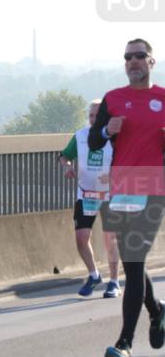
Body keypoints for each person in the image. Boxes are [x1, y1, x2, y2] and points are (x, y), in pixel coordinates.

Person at [88, 39, 165, 357]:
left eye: (139, 56)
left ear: (151, 61)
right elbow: (93, 141)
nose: (132, 61)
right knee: (134, 265)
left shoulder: (163, 98)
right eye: (127, 57)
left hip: (152, 188)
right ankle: (158, 310)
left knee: (133, 260)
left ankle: (125, 343)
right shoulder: (113, 99)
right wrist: (106, 128)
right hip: (120, 189)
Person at [58, 99, 120, 297]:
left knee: (111, 239)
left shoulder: (115, 138)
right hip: (86, 195)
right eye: (91, 115)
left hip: (110, 195)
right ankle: (94, 275)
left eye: (98, 115)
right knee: (81, 238)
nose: (94, 119)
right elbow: (65, 155)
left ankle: (114, 282)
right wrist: (68, 166)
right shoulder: (81, 136)